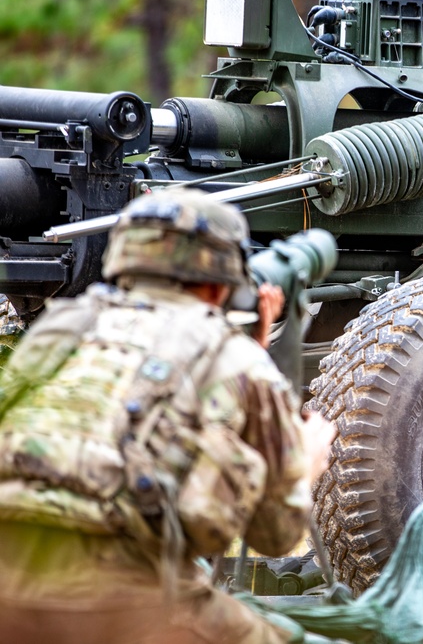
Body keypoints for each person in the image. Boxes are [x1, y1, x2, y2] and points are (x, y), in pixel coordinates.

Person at [0, 189, 334, 644]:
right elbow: (276, 536)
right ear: (223, 280)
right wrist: (305, 465)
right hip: (123, 602)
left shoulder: (59, 329)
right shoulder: (238, 362)